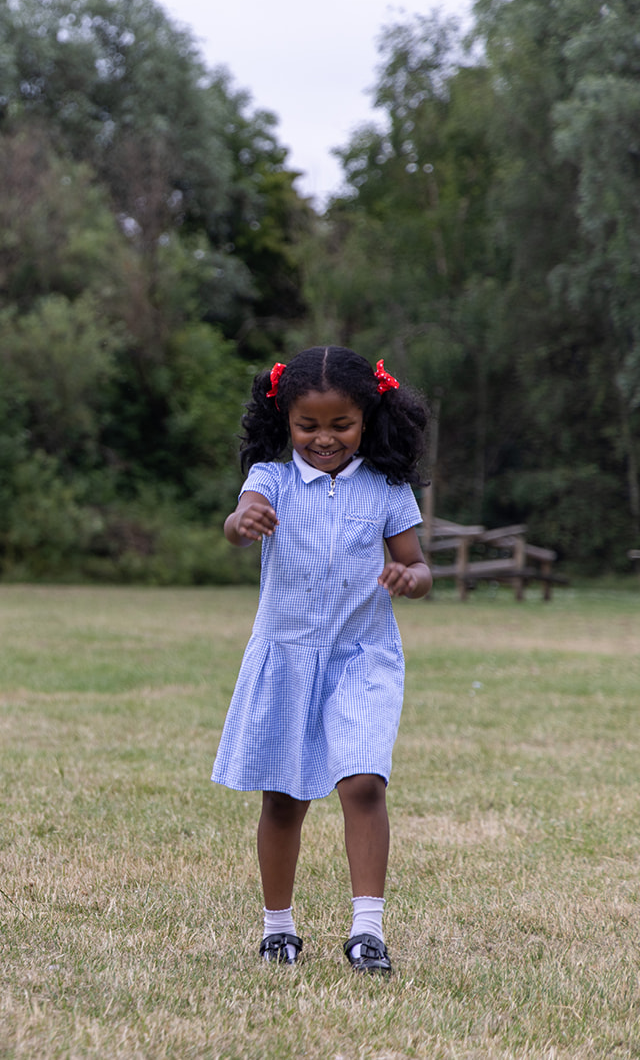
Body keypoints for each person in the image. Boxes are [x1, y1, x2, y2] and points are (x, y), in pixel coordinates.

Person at [214, 345, 432, 974]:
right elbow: (235, 523)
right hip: (287, 657)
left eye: (341, 425)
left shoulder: (388, 489)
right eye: (308, 425)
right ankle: (277, 929)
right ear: (285, 421)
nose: (324, 438)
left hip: (363, 655)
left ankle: (368, 931)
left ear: (367, 418)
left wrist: (410, 578)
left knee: (363, 782)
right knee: (283, 798)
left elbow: (417, 564)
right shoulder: (271, 480)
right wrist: (242, 519)